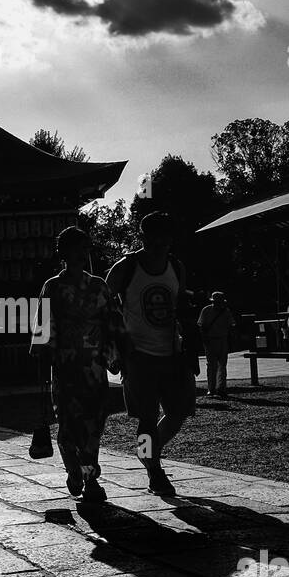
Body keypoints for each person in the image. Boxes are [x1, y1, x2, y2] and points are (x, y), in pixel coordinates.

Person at [31, 225, 124, 506]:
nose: (82, 254)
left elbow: (113, 322)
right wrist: (43, 357)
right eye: (76, 248)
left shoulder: (99, 285)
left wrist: (118, 354)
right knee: (69, 424)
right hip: (65, 365)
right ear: (64, 253)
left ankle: (90, 476)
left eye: (85, 248)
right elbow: (44, 326)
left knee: (95, 422)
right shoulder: (53, 287)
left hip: (94, 365)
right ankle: (75, 469)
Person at [106, 211, 195, 498]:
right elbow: (104, 308)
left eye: (165, 240)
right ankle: (154, 470)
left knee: (179, 411)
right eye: (154, 240)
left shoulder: (176, 267)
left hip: (172, 351)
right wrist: (116, 350)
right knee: (146, 417)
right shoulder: (125, 268)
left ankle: (148, 452)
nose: (160, 245)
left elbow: (182, 307)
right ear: (142, 237)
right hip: (139, 354)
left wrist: (190, 348)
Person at [198, 290, 237, 398]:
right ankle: (212, 388)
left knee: (221, 365)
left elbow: (231, 326)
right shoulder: (207, 310)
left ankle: (220, 388)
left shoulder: (224, 311)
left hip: (221, 339)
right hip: (211, 340)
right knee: (212, 366)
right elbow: (201, 327)